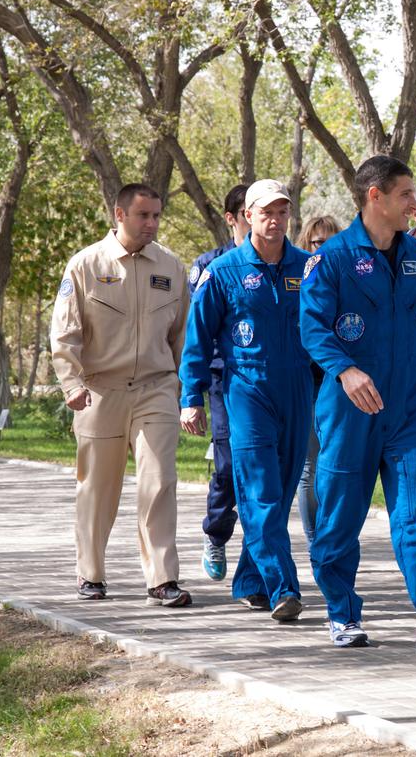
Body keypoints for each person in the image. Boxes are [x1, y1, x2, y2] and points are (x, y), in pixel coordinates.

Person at [299, 154, 416, 657]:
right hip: (350, 411)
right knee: (338, 518)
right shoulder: (330, 259)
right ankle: (342, 613)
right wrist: (345, 368)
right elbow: (312, 326)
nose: (413, 204)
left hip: (413, 410)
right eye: (405, 195)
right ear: (375, 196)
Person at [50, 182, 192, 607]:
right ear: (119, 214)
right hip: (99, 391)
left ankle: (162, 579)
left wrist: (184, 391)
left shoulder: (171, 267)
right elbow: (65, 333)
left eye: (156, 216)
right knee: (97, 487)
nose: (151, 224)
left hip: (156, 389)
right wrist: (71, 384)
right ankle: (90, 574)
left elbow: (182, 337)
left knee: (159, 481)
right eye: (143, 215)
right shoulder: (85, 265)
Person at [178, 180, 312, 621]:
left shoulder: (307, 268)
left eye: (282, 212)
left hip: (298, 391)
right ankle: (283, 587)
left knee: (284, 486)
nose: (275, 220)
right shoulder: (224, 272)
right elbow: (197, 340)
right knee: (260, 493)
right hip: (247, 389)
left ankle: (250, 581)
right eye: (266, 212)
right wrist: (191, 396)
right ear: (247, 217)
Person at [188, 184, 251, 582]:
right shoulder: (211, 266)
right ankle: (216, 533)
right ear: (232, 218)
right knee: (228, 466)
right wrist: (190, 394)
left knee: (269, 473)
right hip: (224, 380)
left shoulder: (291, 263)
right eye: (248, 211)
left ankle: (260, 558)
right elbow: (196, 333)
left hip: (273, 382)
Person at [295, 214, 342, 547]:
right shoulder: (297, 279)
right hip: (307, 385)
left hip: (339, 385)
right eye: (317, 242)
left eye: (331, 241)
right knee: (309, 469)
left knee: (337, 466)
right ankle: (316, 543)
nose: (324, 248)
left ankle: (333, 537)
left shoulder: (349, 277)